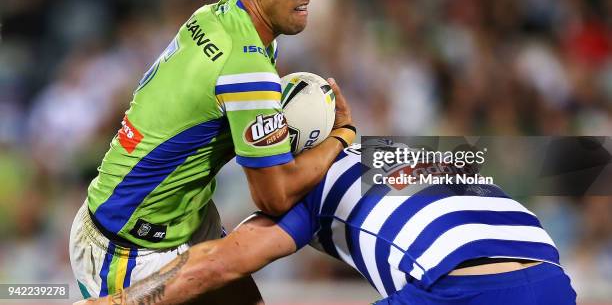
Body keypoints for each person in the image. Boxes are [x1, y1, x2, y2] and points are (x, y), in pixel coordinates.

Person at [69, 0, 356, 302]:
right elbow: (273, 196)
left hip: (173, 219)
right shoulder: (246, 67)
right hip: (129, 251)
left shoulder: (214, 16)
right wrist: (340, 136)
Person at [80, 142, 577, 305]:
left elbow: (217, 267)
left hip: (457, 289)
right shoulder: (401, 149)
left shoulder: (308, 186)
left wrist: (116, 302)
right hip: (552, 279)